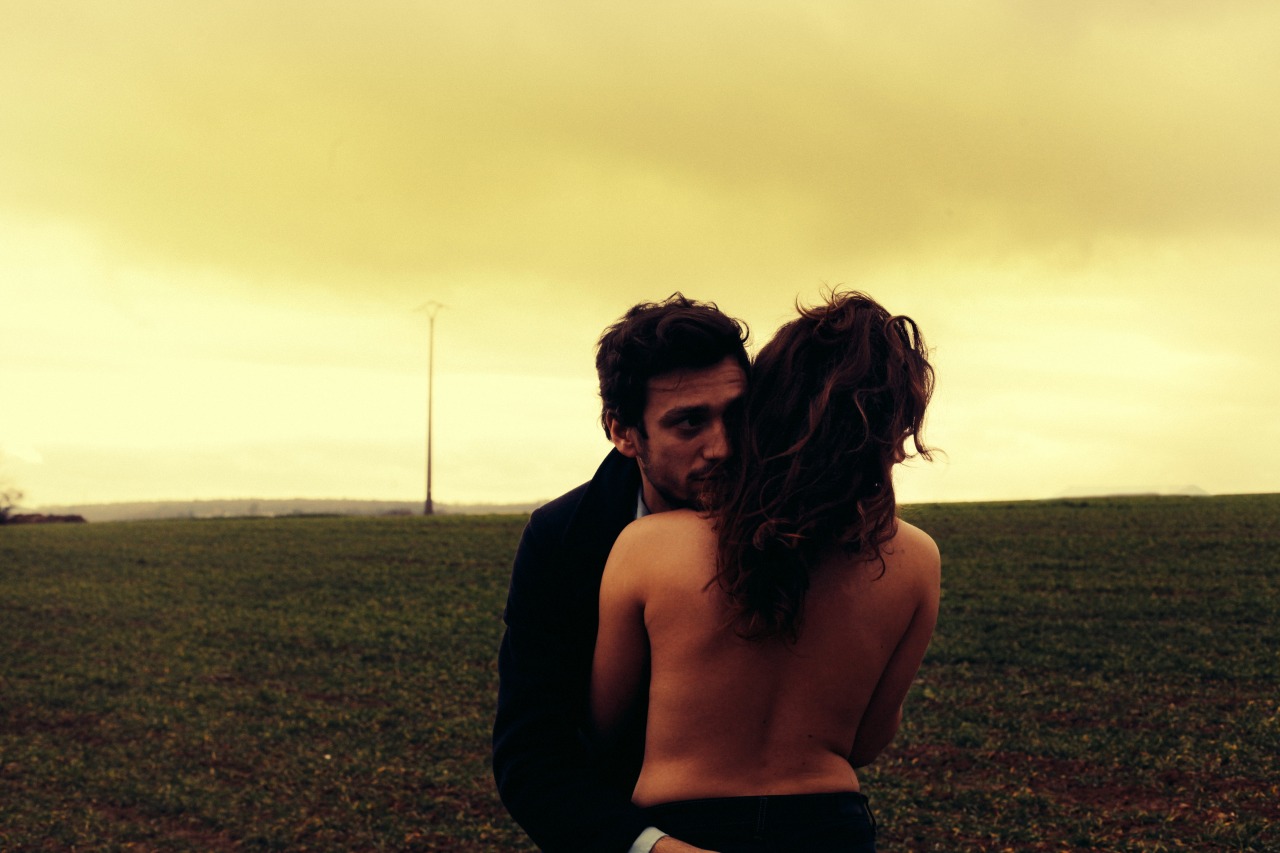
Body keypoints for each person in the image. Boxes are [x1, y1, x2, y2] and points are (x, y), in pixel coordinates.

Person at [590, 291, 941, 852]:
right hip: (830, 827)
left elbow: (606, 724)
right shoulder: (916, 559)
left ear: (767, 409)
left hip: (684, 831)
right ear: (893, 434)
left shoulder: (648, 547)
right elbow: (867, 743)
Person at [493, 294, 751, 852]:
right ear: (623, 433)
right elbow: (532, 756)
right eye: (689, 423)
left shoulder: (794, 520)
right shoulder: (563, 539)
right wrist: (653, 848)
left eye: (737, 415)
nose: (723, 447)